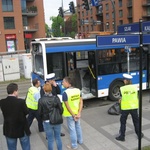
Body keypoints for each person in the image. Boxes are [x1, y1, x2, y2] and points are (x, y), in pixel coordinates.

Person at [0, 83, 31, 150]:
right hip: (22, 129)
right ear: (14, 91)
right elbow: (26, 112)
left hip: (9, 129)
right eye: (17, 90)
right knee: (26, 147)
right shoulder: (21, 102)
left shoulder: (2, 102)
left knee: (11, 148)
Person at [115, 73, 144, 142]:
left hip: (125, 108)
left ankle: (122, 136)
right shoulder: (135, 87)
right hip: (134, 107)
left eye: (124, 80)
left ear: (126, 81)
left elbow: (120, 99)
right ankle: (139, 135)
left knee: (123, 122)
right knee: (136, 121)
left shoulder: (122, 89)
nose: (123, 81)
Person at [38, 83, 63, 150]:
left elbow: (39, 113)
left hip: (46, 121)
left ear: (44, 90)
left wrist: (42, 118)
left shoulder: (41, 100)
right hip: (56, 120)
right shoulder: (56, 98)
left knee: (50, 139)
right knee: (58, 137)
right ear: (51, 89)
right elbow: (61, 109)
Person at [40, 73, 65, 137]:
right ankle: (48, 135)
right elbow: (43, 98)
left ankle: (58, 133)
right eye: (53, 80)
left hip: (55, 107)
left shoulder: (54, 85)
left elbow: (59, 92)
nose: (54, 81)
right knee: (48, 123)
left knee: (56, 120)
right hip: (48, 109)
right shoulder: (44, 87)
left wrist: (56, 86)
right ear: (49, 80)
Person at [62, 76, 83, 149]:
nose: (62, 83)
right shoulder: (78, 90)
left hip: (70, 114)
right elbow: (81, 102)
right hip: (77, 113)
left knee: (72, 129)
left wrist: (73, 115)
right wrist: (79, 113)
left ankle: (74, 145)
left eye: (63, 82)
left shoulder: (65, 93)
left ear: (68, 83)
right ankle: (80, 141)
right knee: (78, 126)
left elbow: (67, 106)